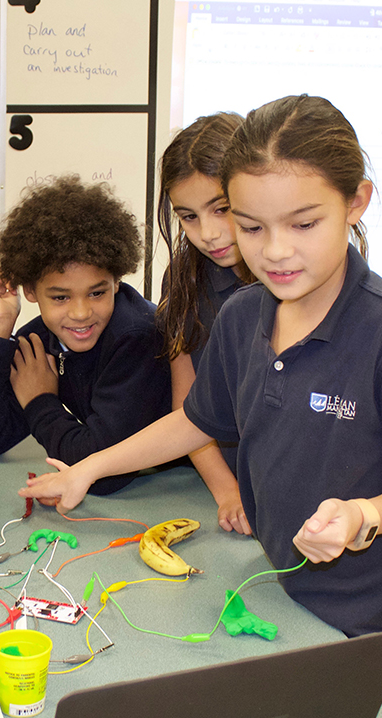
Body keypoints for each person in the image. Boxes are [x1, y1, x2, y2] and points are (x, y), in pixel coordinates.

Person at [19, 95, 382, 718]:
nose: (274, 249)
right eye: (251, 225)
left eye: (304, 223)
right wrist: (89, 469)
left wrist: (360, 516)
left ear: (357, 203)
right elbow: (198, 419)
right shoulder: (244, 316)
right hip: (288, 587)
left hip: (376, 609)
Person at [0, 175, 172, 495]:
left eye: (97, 293)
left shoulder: (138, 337)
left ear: (117, 280)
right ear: (29, 290)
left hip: (180, 490)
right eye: (60, 297)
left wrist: (40, 402)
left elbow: (102, 474)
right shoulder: (41, 343)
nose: (81, 312)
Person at [157, 112, 256, 536]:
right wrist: (227, 490)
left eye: (222, 209)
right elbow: (187, 405)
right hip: (222, 484)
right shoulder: (183, 277)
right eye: (189, 217)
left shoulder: (292, 278)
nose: (209, 233)